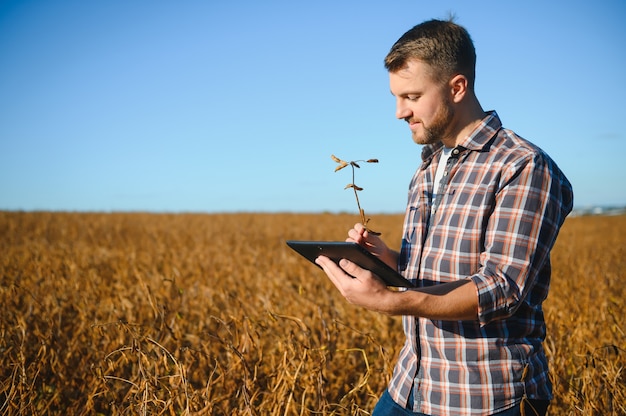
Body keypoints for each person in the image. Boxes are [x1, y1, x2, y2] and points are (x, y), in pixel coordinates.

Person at [315, 19, 573, 416]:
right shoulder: (428, 165)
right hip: (410, 384)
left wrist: (389, 301)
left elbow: (500, 289)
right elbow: (440, 267)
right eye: (396, 97)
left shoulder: (523, 166)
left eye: (412, 96)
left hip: (486, 396)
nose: (400, 112)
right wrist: (391, 263)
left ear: (457, 87)